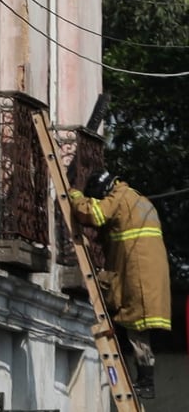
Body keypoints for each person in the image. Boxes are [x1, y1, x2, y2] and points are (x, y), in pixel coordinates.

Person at [68, 169, 171, 400]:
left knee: (134, 328)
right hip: (147, 276)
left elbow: (93, 213)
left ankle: (144, 382)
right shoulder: (139, 200)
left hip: (137, 278)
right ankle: (142, 380)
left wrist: (74, 196)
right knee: (135, 328)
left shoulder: (119, 197)